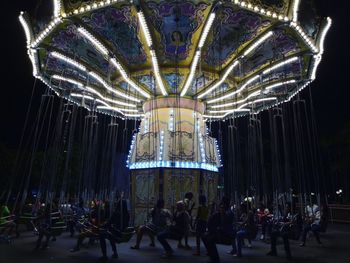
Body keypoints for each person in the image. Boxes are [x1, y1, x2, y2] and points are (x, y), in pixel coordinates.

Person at [201, 197, 236, 263]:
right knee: (204, 236)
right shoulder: (223, 212)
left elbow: (224, 224)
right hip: (222, 232)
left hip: (226, 234)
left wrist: (221, 213)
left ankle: (215, 258)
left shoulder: (228, 213)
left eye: (222, 203)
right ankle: (212, 255)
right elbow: (213, 221)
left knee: (209, 238)